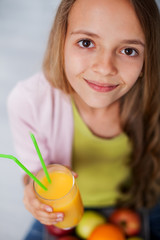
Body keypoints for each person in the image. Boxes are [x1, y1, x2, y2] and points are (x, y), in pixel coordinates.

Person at [7, 0, 160, 239]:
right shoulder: (29, 102)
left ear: (146, 59)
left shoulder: (154, 101)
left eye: (129, 50)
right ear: (61, 43)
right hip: (65, 212)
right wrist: (33, 188)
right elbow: (34, 171)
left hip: (140, 200)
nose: (105, 68)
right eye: (86, 43)